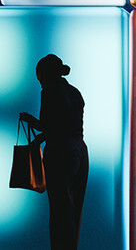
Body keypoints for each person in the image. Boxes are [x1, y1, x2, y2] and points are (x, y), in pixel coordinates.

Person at [20, 54, 89, 250]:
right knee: (74, 211)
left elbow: (48, 126)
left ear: (44, 73)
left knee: (59, 212)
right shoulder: (75, 92)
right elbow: (64, 126)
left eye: (39, 75)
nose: (39, 80)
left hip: (60, 154)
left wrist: (29, 120)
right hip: (80, 151)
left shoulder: (49, 91)